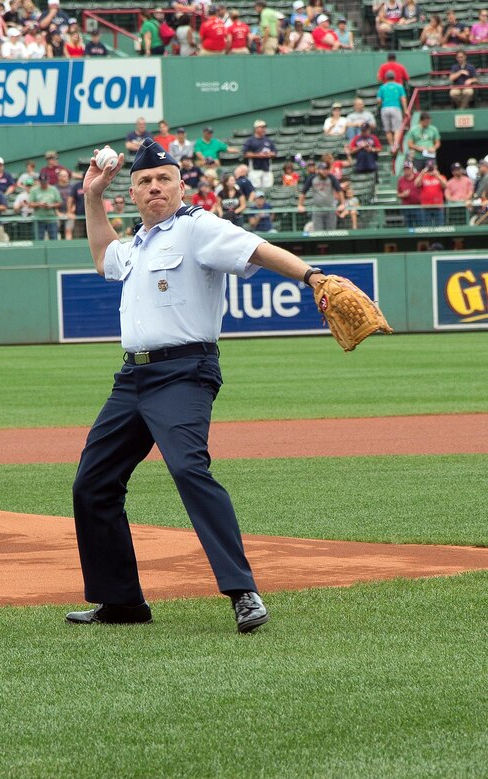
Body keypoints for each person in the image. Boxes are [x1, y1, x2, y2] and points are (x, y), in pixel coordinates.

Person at [65, 137, 329, 633]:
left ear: (181, 185)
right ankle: (121, 603)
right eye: (145, 181)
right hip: (132, 378)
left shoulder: (197, 227)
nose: (154, 187)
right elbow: (103, 257)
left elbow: (257, 249)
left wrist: (312, 276)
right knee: (92, 483)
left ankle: (243, 592)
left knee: (188, 468)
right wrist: (92, 196)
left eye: (163, 179)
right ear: (133, 193)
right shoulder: (138, 244)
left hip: (184, 371)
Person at [298, 160, 344, 231]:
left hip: (330, 209)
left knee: (331, 232)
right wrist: (300, 205)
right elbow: (303, 192)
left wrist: (342, 204)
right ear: (318, 170)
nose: (325, 171)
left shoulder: (331, 178)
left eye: (326, 169)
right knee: (318, 233)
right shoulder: (312, 178)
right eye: (323, 169)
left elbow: (339, 191)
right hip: (317, 210)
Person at [377, 70, 407, 151]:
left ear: (386, 78)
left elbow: (379, 100)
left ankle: (391, 146)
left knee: (387, 130)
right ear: (394, 77)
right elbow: (403, 98)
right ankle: (396, 145)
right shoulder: (399, 86)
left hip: (385, 108)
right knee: (397, 129)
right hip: (395, 107)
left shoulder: (382, 87)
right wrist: (405, 110)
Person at [242, 119, 277, 189]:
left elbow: (275, 153)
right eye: (261, 127)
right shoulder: (250, 141)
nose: (264, 129)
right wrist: (258, 155)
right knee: (256, 190)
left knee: (268, 189)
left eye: (264, 127)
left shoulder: (268, 140)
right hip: (254, 170)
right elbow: (245, 154)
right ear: (256, 128)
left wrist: (269, 154)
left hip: (267, 170)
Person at [29, 172, 62, 240]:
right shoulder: (34, 190)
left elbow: (59, 202)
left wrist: (51, 205)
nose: (43, 184)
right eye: (42, 182)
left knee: (54, 240)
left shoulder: (53, 189)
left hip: (52, 219)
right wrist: (39, 204)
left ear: (48, 181)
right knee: (39, 240)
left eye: (45, 182)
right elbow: (30, 204)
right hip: (39, 219)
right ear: (39, 181)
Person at [415, 160, 446, 227]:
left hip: (438, 207)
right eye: (429, 167)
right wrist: (422, 173)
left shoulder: (441, 176)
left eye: (432, 167)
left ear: (435, 167)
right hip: (426, 207)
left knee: (440, 228)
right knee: (426, 228)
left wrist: (437, 176)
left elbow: (445, 186)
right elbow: (416, 184)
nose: (431, 169)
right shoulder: (423, 176)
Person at [397, 159, 421, 227]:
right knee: (408, 227)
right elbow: (398, 194)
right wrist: (403, 195)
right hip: (407, 208)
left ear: (412, 168)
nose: (406, 170)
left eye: (408, 168)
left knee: (420, 227)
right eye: (405, 169)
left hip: (419, 207)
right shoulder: (401, 180)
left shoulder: (418, 176)